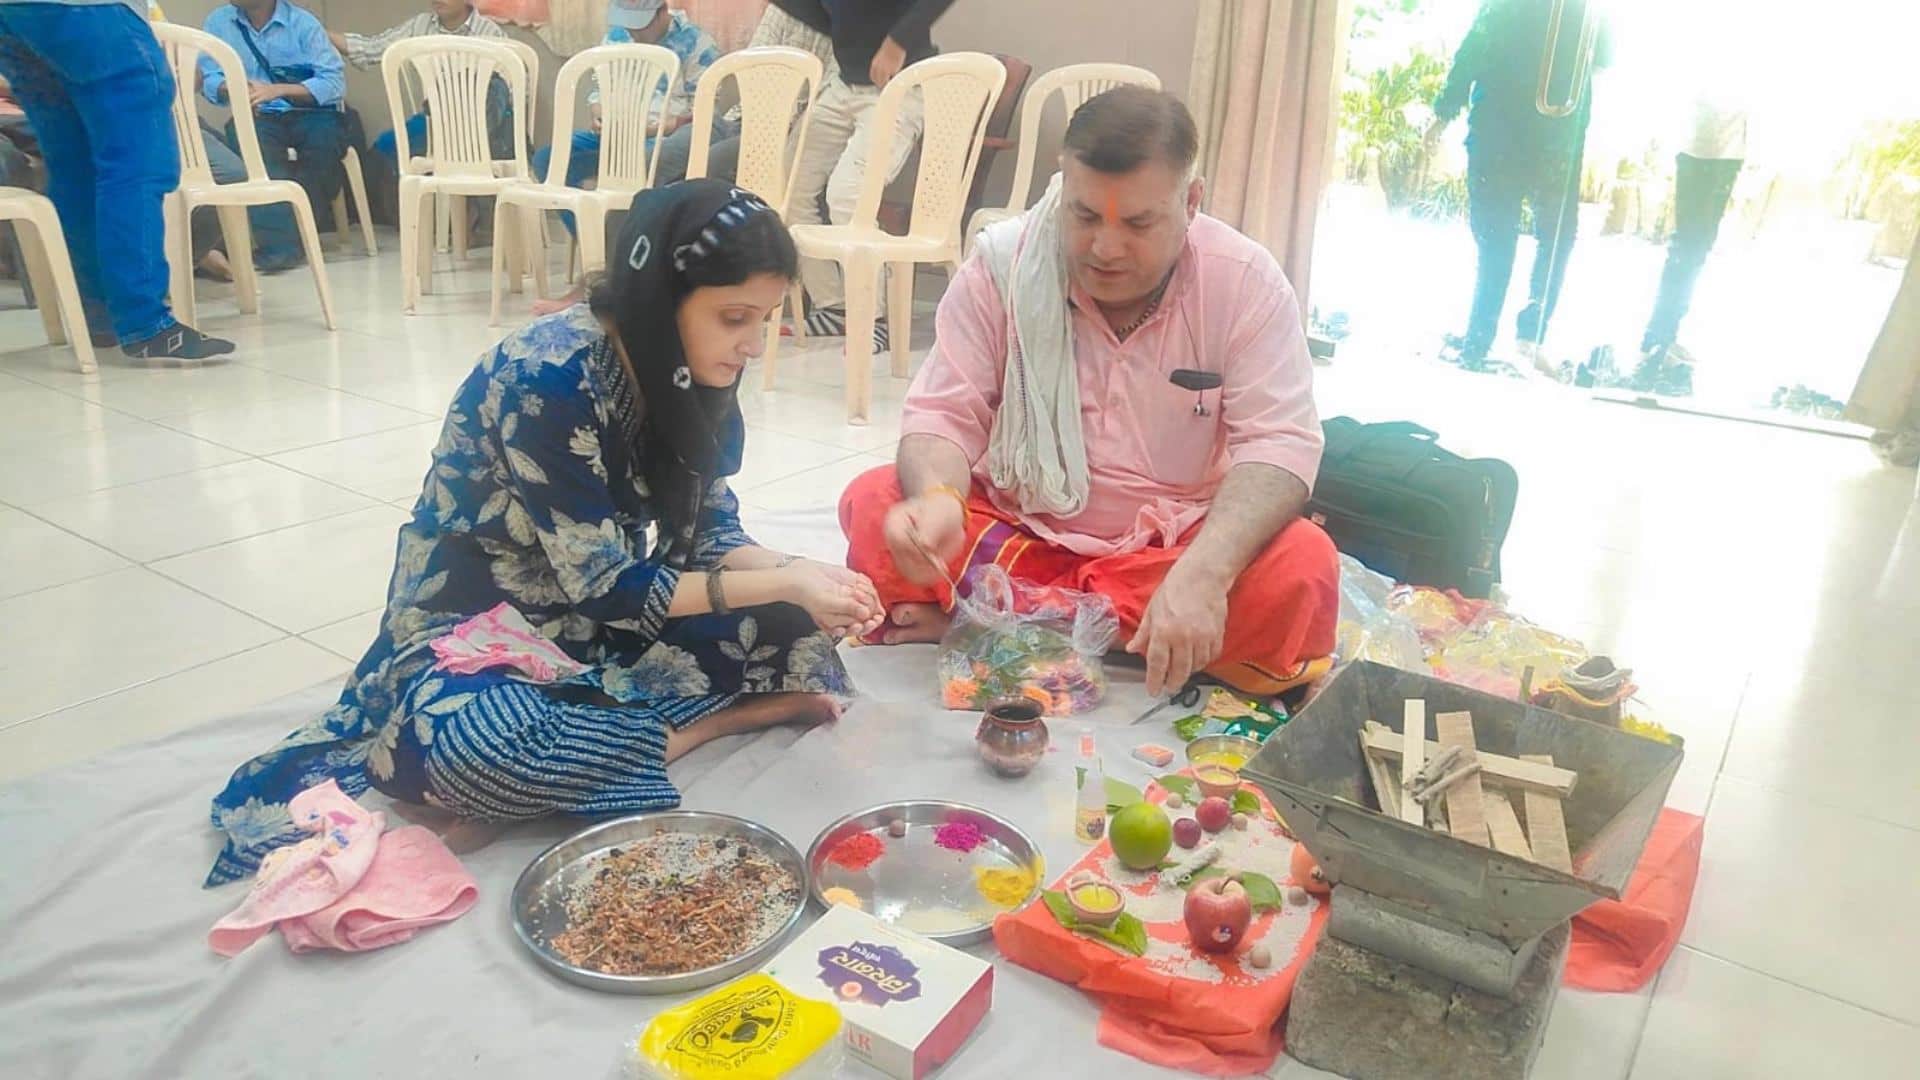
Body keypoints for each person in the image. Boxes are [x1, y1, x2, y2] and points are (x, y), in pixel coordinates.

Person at [205, 180, 886, 886]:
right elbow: (607, 588)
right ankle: (701, 728)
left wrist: (805, 576)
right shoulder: (549, 376)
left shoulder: (688, 368)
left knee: (795, 624)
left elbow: (711, 530)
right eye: (734, 316)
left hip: (600, 628)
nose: (751, 344)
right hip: (476, 636)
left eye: (765, 319)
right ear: (660, 297)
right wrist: (780, 581)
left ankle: (593, 751)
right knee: (477, 744)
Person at [838, 88, 1339, 699]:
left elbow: (1280, 445)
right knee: (873, 503)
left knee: (1301, 567)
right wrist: (938, 498)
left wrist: (1205, 573)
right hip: (1023, 529)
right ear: (1061, 186)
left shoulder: (1244, 282)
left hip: (1168, 551)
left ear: (1191, 201)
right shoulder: (1006, 264)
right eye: (1083, 216)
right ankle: (1114, 636)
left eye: (1137, 223)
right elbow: (944, 410)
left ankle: (995, 625)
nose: (1105, 248)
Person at [0, 0, 234, 361]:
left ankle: (100, 317)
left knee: (74, 167)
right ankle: (145, 322)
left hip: (14, 16)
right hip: (91, 11)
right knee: (137, 164)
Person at [1431, 0, 1609, 375]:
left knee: (1504, 241)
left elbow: (1474, 49)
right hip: (1549, 136)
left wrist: (1443, 114)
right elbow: (1601, 58)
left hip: (1513, 133)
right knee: (1548, 239)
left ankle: (1485, 341)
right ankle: (1522, 340)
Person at [775, 0, 956, 349]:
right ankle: (834, 307)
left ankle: (874, 317)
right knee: (790, 187)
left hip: (900, 84)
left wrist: (896, 42)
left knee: (848, 194)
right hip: (844, 85)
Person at [532, 0, 721, 237]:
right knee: (547, 160)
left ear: (662, 12)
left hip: (660, 141)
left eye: (640, 25)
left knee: (647, 164)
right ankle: (596, 242)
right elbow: (599, 88)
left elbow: (703, 115)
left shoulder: (697, 44)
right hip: (613, 137)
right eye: (628, 22)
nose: (633, 32)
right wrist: (598, 111)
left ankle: (627, 245)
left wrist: (649, 129)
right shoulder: (618, 36)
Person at [201, 0, 349, 271]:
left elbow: (334, 82)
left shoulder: (303, 23)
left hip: (311, 111)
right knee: (255, 157)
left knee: (324, 149)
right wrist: (232, 87)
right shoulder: (218, 22)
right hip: (258, 114)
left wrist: (278, 90)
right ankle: (282, 246)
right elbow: (209, 78)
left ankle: (292, 238)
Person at [1629, 95, 1748, 398]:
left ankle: (1662, 338)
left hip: (1718, 143)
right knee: (1689, 250)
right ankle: (1658, 341)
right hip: (1708, 144)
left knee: (1692, 250)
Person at [327, 0, 508, 163]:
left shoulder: (490, 32)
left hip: (480, 124)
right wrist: (319, 33)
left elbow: (513, 88)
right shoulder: (421, 25)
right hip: (435, 120)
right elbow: (371, 48)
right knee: (381, 152)